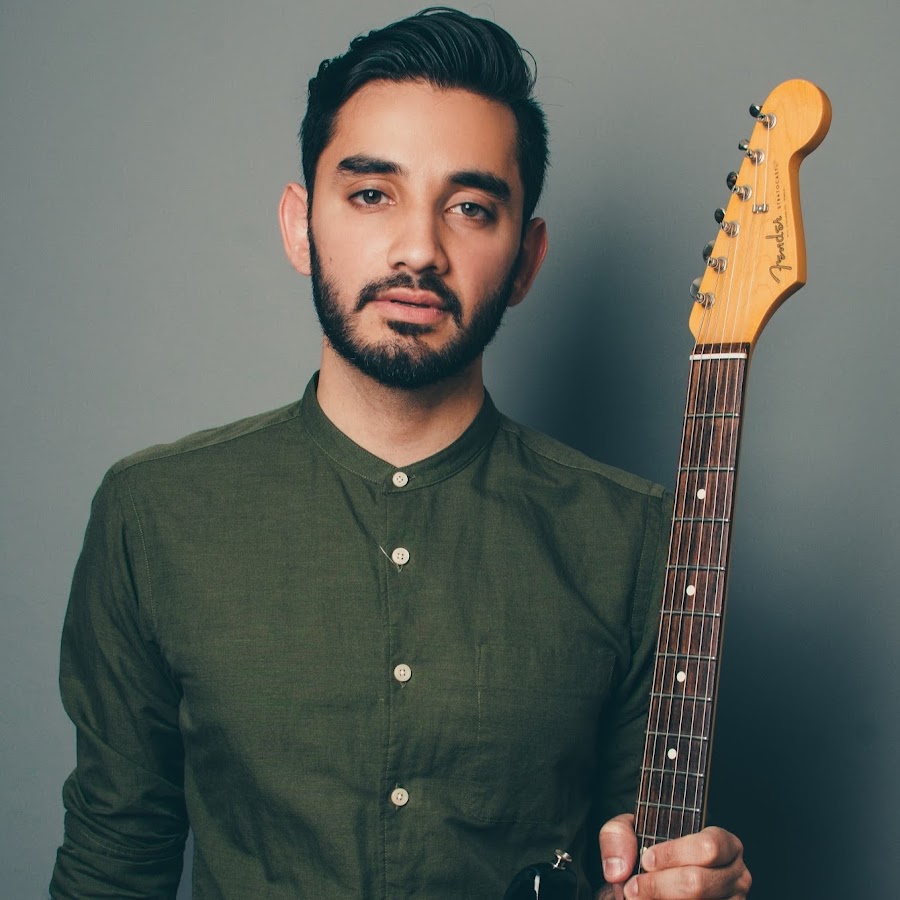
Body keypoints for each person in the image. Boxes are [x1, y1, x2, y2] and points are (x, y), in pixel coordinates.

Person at [51, 8, 751, 899]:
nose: (420, 249)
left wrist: (685, 882)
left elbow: (641, 862)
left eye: (469, 207)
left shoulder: (639, 537)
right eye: (372, 193)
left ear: (527, 259)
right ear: (301, 226)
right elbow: (114, 861)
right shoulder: (152, 514)